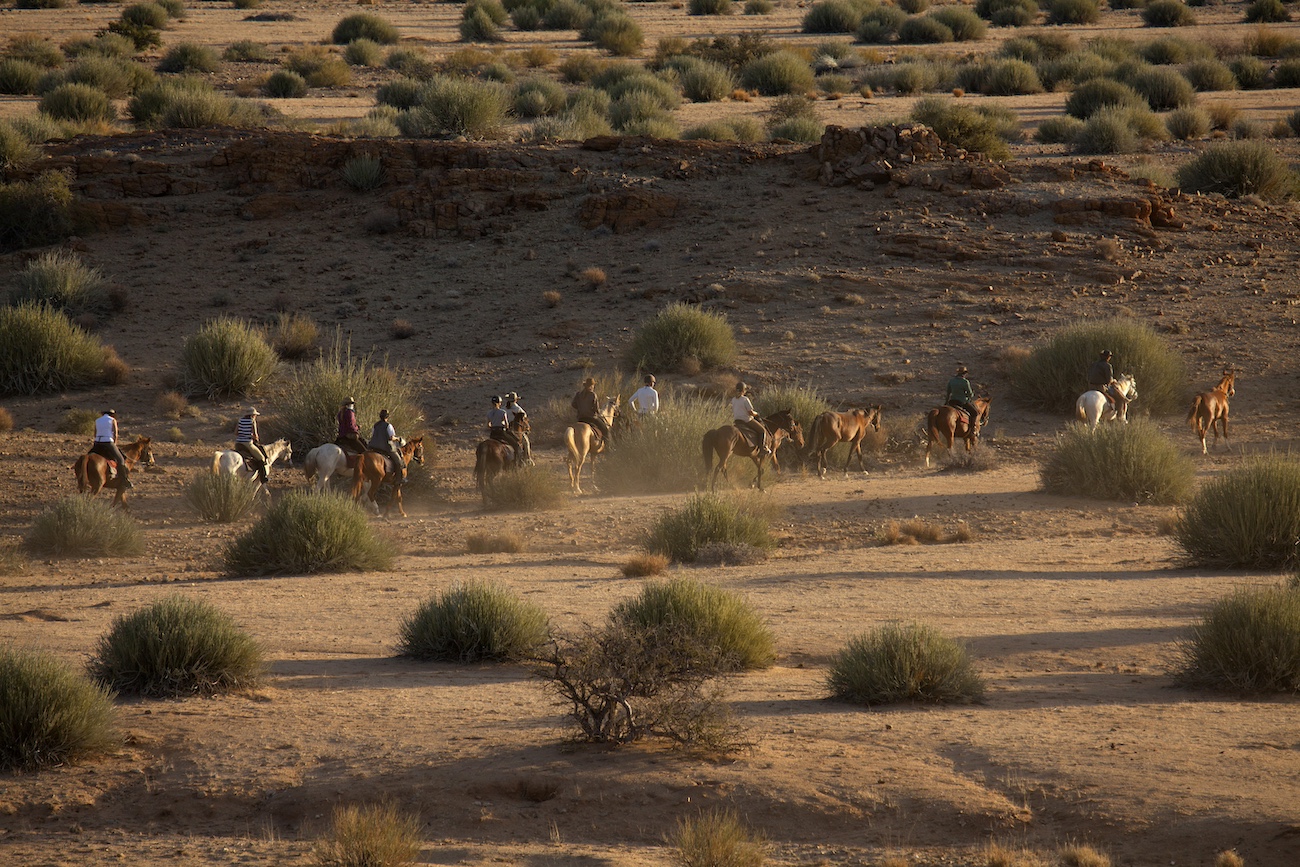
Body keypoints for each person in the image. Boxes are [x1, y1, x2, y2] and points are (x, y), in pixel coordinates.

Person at [90, 409, 131, 489]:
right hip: (108, 442)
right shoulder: (112, 420)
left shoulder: (97, 420)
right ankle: (124, 480)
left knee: (88, 456)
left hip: (97, 443)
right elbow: (115, 434)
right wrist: (114, 444)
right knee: (121, 460)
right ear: (112, 414)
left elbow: (95, 434)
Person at [731, 382, 771, 456]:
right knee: (762, 430)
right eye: (745, 390)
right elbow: (750, 412)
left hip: (737, 421)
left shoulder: (733, 399)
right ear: (743, 391)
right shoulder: (745, 399)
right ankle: (763, 448)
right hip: (746, 420)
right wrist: (757, 414)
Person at [368, 409, 407, 485]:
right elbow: (391, 438)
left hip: (374, 447)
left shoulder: (375, 425)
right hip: (385, 448)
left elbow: (372, 435)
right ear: (387, 417)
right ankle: (398, 480)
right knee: (399, 462)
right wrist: (398, 439)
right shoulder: (388, 426)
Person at [234, 407, 269, 485]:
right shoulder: (252, 421)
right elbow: (255, 435)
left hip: (238, 443)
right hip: (248, 443)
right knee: (261, 458)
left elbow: (235, 433)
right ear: (253, 415)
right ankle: (263, 478)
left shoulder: (240, 420)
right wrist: (254, 437)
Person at [1087, 349, 1128, 415]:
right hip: (1101, 387)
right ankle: (1119, 414)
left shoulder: (1093, 364)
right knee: (1119, 397)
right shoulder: (1108, 366)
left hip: (1091, 386)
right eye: (1109, 356)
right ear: (1108, 357)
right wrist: (1113, 381)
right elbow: (1108, 380)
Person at [945, 365, 982, 436]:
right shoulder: (965, 382)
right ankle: (973, 429)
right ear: (964, 374)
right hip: (962, 402)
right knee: (975, 413)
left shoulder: (951, 381)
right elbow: (970, 395)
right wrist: (971, 394)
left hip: (952, 401)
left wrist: (946, 402)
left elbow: (948, 393)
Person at [571, 377, 611, 443]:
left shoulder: (578, 394)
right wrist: (599, 413)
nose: (593, 387)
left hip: (580, 418)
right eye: (593, 385)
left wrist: (580, 408)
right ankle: (608, 447)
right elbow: (596, 409)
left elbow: (573, 404)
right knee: (605, 429)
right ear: (591, 386)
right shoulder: (593, 395)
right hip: (591, 417)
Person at [487, 395, 520, 462]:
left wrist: (493, 426)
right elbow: (507, 425)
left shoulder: (489, 413)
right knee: (515, 444)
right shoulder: (503, 412)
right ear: (500, 403)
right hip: (501, 433)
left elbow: (488, 425)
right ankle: (516, 462)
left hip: (493, 433)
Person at [503, 392, 530, 463]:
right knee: (526, 442)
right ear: (516, 400)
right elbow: (524, 418)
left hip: (505, 429)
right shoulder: (518, 409)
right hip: (515, 429)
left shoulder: (503, 408)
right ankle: (527, 458)